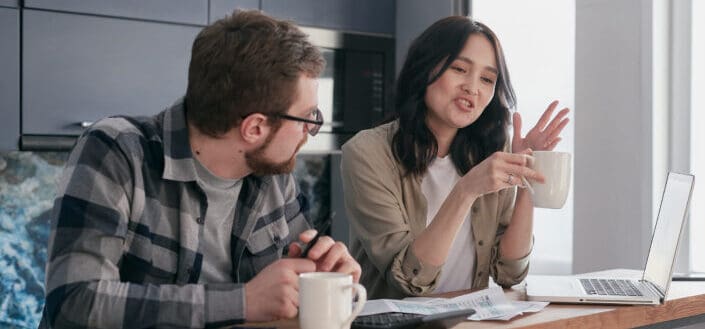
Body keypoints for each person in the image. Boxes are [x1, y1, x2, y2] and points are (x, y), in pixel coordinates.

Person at [39, 10, 360, 328]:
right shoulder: (116, 151)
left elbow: (293, 274)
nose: (310, 130)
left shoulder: (272, 172)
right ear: (255, 128)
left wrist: (323, 268)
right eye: (308, 117)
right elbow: (75, 303)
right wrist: (242, 302)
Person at [341, 16, 569, 299]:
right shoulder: (366, 153)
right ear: (424, 69)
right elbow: (409, 279)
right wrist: (466, 189)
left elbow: (510, 273)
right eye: (459, 69)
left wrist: (526, 179)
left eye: (487, 79)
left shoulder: (491, 150)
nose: (473, 88)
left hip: (468, 320)